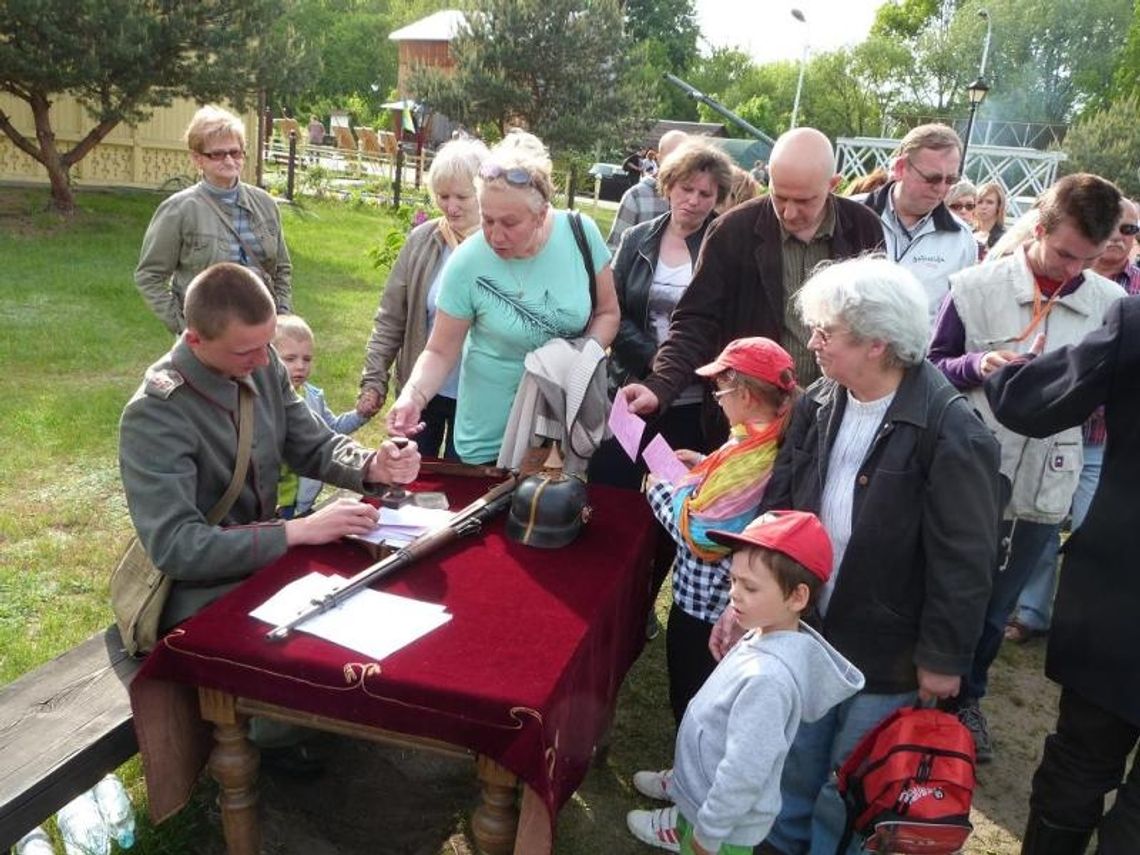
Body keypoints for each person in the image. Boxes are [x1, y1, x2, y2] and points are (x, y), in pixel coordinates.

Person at [703, 256, 1002, 855]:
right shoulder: (820, 399)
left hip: (884, 651)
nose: (812, 343)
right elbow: (781, 511)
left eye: (825, 332)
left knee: (848, 783)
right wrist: (750, 604)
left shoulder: (952, 430)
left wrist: (944, 659)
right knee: (793, 762)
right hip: (809, 631)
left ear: (878, 344)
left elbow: (965, 563)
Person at [928, 173, 1124, 764]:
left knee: (997, 603)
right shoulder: (974, 286)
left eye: (1088, 260)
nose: (1072, 271)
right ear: (1039, 229)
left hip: (1047, 478)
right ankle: (919, 698)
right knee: (946, 587)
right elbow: (932, 367)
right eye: (1065, 253)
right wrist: (977, 365)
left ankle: (967, 701)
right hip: (970, 471)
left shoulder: (1111, 305)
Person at [119, 262, 420, 631]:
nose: (264, 361)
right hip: (200, 591)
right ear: (194, 339)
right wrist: (296, 531)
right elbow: (178, 548)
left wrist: (373, 465)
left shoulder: (260, 363)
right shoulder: (156, 414)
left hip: (268, 564)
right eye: (247, 350)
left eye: (268, 343)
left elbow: (312, 443)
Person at [984, 297, 1140, 855]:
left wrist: (1011, 369)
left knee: (1079, 763)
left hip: (1121, 596)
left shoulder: (1134, 320)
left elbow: (1033, 401)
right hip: (1120, 597)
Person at [618, 127, 883, 449]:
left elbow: (876, 321)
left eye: (804, 201)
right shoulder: (733, 231)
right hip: (753, 423)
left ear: (832, 185)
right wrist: (659, 386)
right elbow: (695, 321)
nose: (788, 212)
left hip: (839, 416)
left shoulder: (863, 227)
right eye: (779, 196)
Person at [626, 511, 864, 855]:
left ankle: (688, 827)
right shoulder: (765, 628)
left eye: (750, 586)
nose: (734, 594)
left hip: (721, 831)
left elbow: (743, 774)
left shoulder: (769, 682)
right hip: (705, 794)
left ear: (797, 597)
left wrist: (708, 835)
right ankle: (681, 797)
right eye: (733, 581)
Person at [385, 130, 619, 464]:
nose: (495, 235)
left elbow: (608, 313)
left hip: (560, 425)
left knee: (550, 510)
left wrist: (580, 360)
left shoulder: (582, 234)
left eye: (510, 223)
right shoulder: (468, 262)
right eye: (488, 219)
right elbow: (439, 351)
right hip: (487, 435)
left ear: (540, 215)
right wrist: (413, 396)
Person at [1002, 196, 1140, 644]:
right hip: (1060, 438)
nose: (1123, 239)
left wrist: (1017, 376)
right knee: (1043, 530)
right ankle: (1034, 612)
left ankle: (1070, 623)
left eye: (1131, 231)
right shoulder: (997, 280)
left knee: (1076, 530)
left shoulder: (1125, 305)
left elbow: (1036, 399)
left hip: (1093, 439)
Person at [646, 337, 799, 725]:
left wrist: (659, 488)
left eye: (720, 389)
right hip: (720, 599)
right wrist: (701, 464)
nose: (717, 397)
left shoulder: (753, 461)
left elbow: (701, 536)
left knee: (694, 697)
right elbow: (727, 488)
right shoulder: (761, 437)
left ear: (745, 395)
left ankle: (690, 779)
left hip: (704, 605)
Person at [590, 139, 734, 488]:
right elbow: (612, 311)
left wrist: (676, 367)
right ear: (668, 186)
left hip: (692, 402)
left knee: (676, 493)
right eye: (687, 189)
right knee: (611, 484)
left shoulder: (727, 245)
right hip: (630, 389)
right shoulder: (637, 239)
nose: (694, 201)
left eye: (706, 194)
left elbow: (722, 322)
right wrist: (653, 356)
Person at [356, 138, 490, 458]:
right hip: (423, 395)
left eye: (462, 196)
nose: (451, 206)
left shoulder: (501, 247)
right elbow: (390, 316)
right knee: (413, 482)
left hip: (479, 401)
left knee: (467, 492)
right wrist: (374, 379)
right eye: (443, 196)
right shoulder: (422, 241)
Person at [135, 105, 292, 335]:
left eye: (235, 152)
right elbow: (149, 276)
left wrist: (283, 318)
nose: (229, 160)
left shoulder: (265, 204)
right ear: (198, 159)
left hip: (262, 334)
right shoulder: (179, 210)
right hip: (210, 338)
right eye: (217, 154)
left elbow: (282, 268)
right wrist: (184, 328)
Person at [858, 123, 978, 319]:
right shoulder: (847, 214)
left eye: (950, 181)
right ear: (900, 168)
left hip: (918, 350)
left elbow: (958, 319)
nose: (941, 189)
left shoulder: (962, 240)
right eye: (932, 178)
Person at [274, 315, 369, 519]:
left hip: (305, 498)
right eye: (290, 359)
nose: (300, 366)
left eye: (306, 359)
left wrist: (361, 414)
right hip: (274, 499)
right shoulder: (264, 401)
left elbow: (332, 429)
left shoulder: (313, 397)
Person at [608, 131, 689, 250]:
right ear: (659, 158)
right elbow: (615, 249)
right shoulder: (636, 197)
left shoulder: (699, 198)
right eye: (672, 157)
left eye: (685, 157)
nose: (678, 163)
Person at [974, 180, 1008, 253]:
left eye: (990, 202)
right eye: (980, 202)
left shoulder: (1004, 238)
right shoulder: (968, 233)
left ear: (999, 206)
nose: (984, 207)